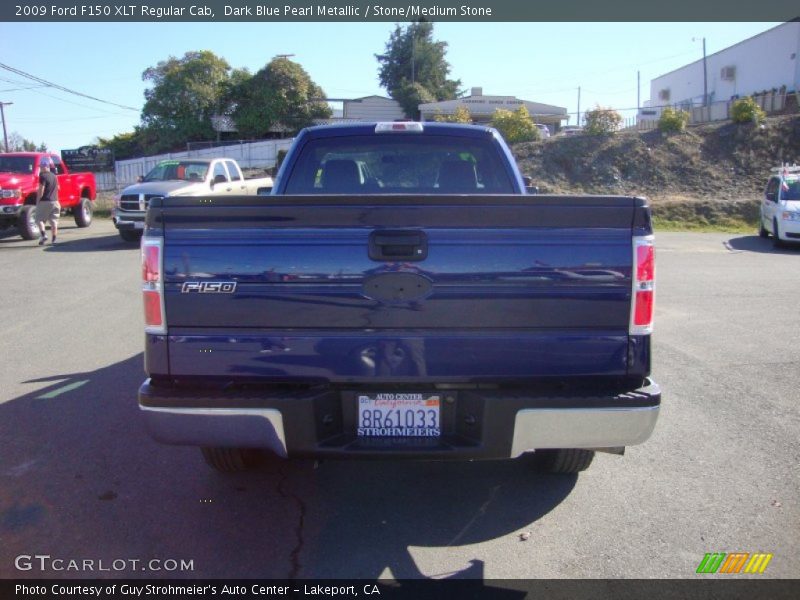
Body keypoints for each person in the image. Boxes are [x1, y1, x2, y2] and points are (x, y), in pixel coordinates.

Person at [36, 157, 60, 245]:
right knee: (54, 221)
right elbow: (58, 188)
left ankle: (43, 236)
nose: (40, 168)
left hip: (45, 201)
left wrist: (38, 200)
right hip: (55, 201)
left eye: (41, 167)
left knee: (39, 220)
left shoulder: (42, 176)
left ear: (44, 166)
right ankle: (54, 240)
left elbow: (41, 190)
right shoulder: (54, 176)